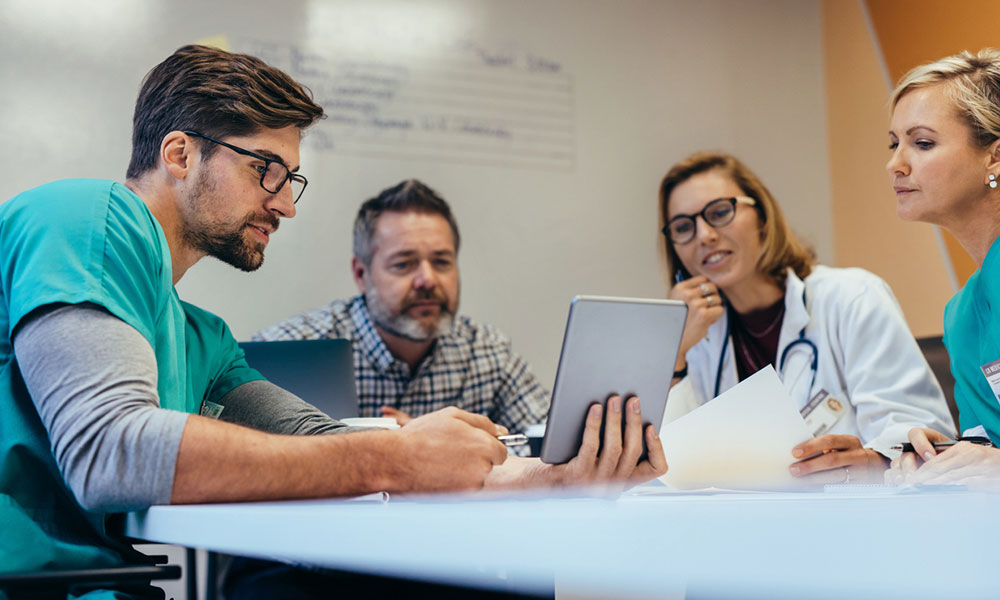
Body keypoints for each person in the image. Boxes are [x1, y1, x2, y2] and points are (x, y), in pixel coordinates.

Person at [0, 44, 666, 597]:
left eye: (291, 179)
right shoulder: (86, 217)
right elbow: (110, 452)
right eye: (266, 171)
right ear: (179, 155)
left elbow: (321, 442)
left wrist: (549, 478)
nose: (285, 205)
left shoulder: (203, 337)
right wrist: (397, 457)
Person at [659, 151, 954, 485]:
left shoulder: (851, 297)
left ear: (762, 217)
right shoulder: (697, 340)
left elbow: (919, 434)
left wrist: (872, 462)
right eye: (683, 227)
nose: (704, 236)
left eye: (720, 212)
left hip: (860, 518)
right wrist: (676, 349)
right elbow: (668, 467)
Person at [254, 179, 548, 446]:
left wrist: (455, 445)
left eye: (442, 262)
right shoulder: (289, 350)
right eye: (404, 264)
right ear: (361, 274)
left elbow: (551, 448)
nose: (428, 280)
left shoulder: (487, 351)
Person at [884, 49, 1000, 489]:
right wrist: (949, 456)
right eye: (894, 143)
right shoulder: (962, 314)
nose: (895, 164)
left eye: (923, 143)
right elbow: (989, 449)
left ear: (995, 156)